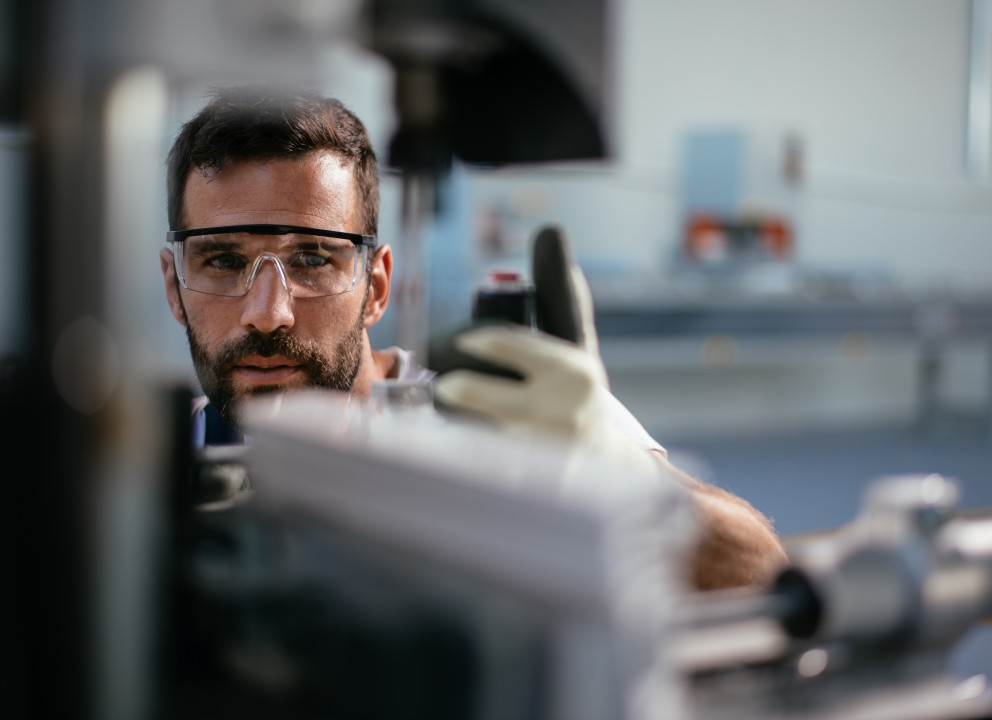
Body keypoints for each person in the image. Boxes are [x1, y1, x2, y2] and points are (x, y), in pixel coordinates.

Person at [159, 84, 788, 590]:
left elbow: (760, 574)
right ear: (174, 286)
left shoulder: (496, 416)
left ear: (377, 288)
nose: (268, 315)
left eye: (312, 260)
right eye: (222, 261)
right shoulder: (147, 476)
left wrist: (607, 469)